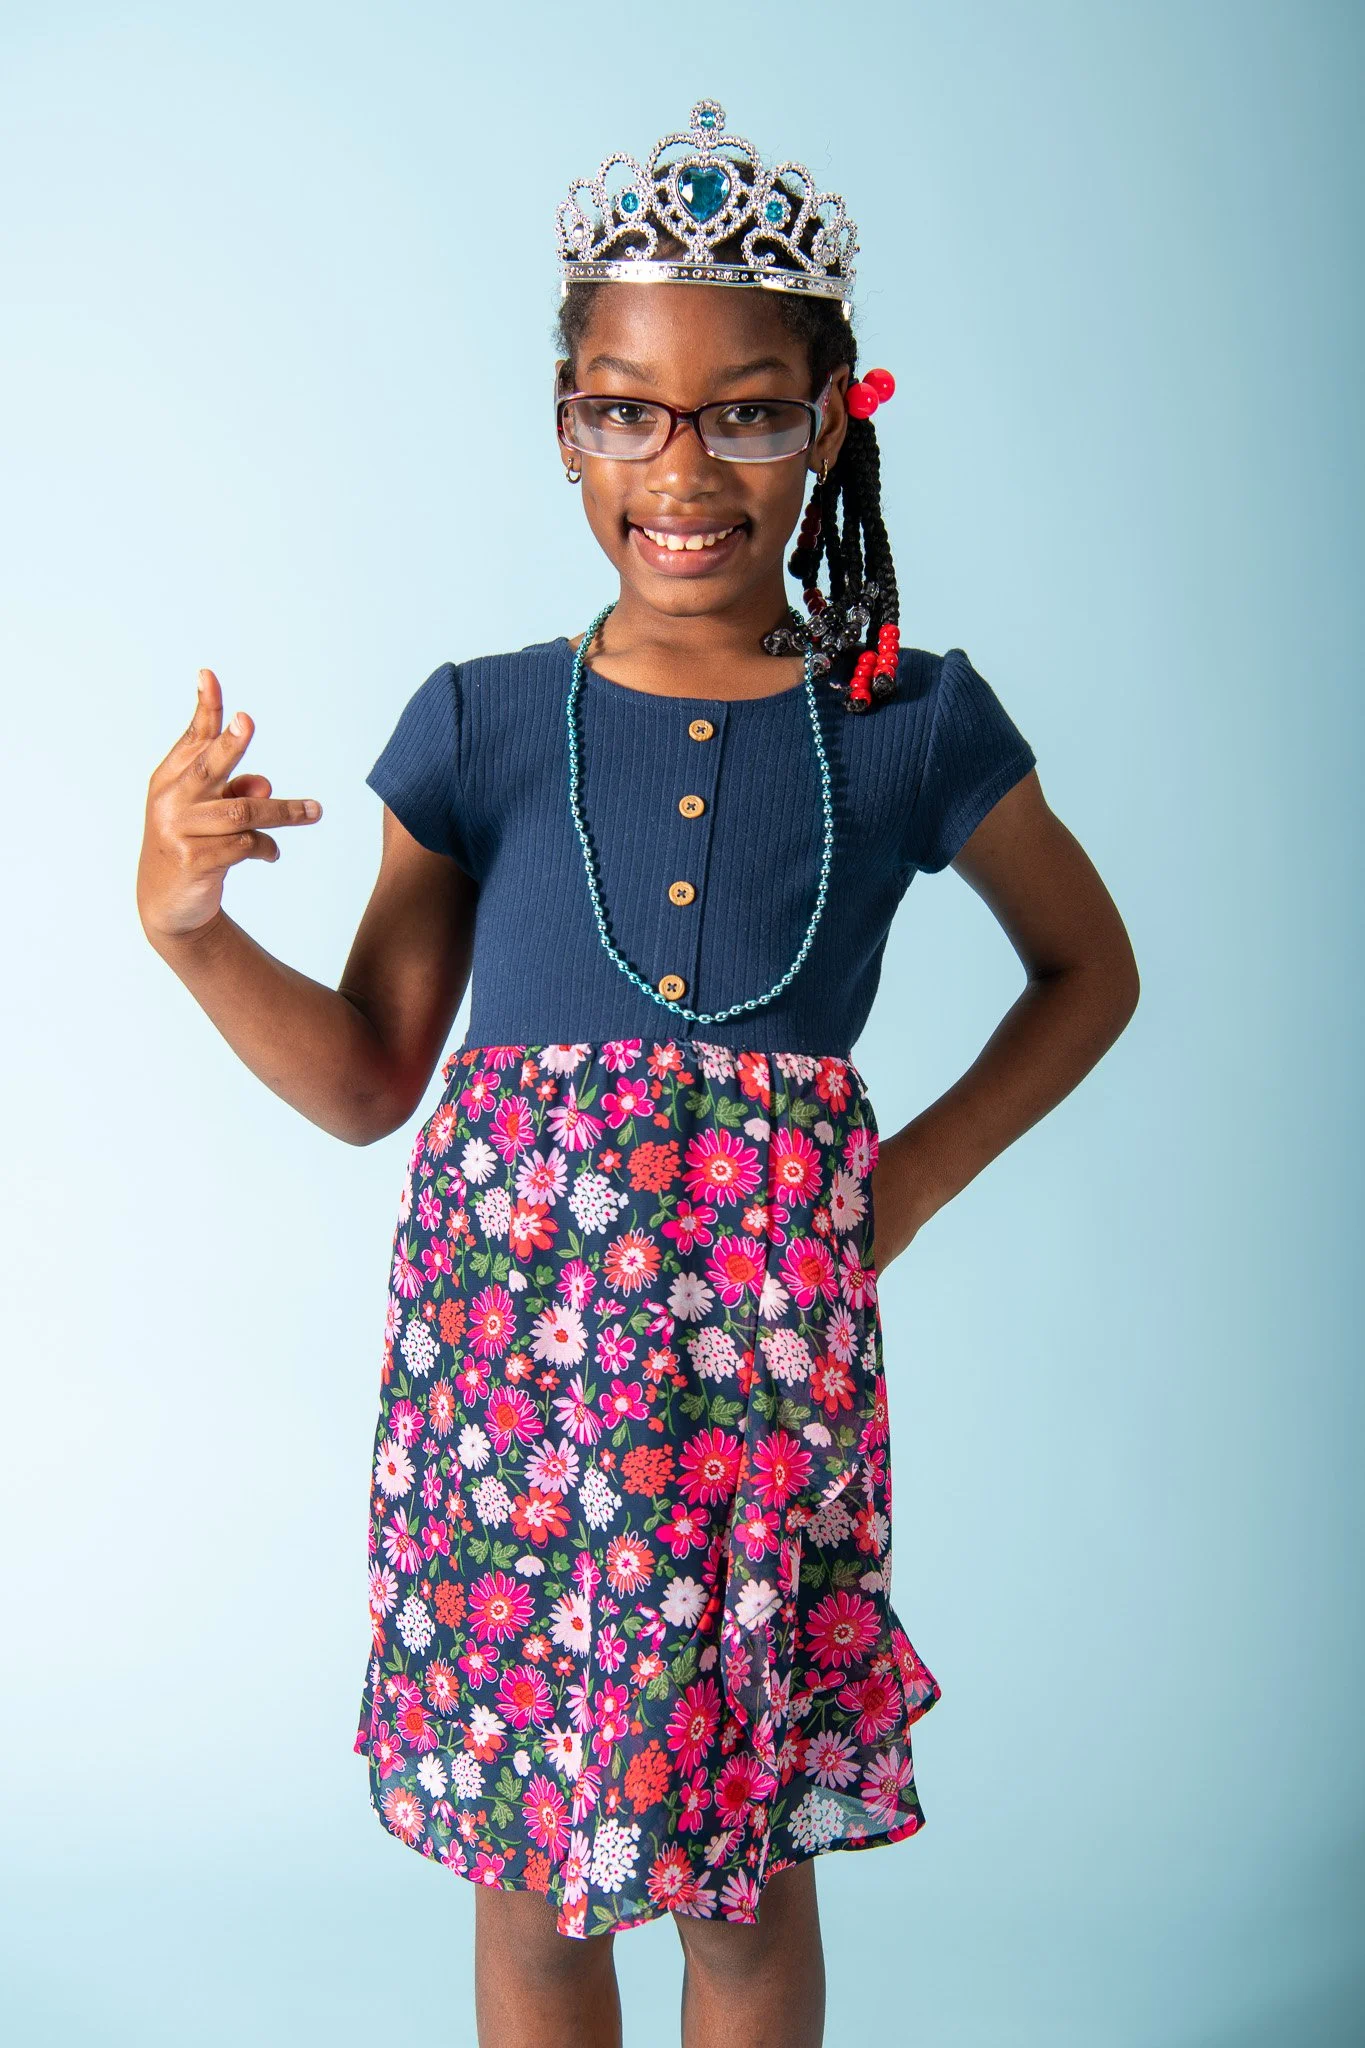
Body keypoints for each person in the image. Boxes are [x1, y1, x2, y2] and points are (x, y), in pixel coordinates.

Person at [136, 99, 1139, 2048]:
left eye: (746, 411)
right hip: (506, 1406)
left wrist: (898, 1186)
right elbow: (364, 1079)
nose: (683, 468)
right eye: (627, 411)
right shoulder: (480, 725)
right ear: (567, 420)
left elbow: (1085, 969)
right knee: (533, 1896)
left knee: (743, 1891)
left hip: (754, 1411)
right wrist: (190, 929)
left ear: (832, 414)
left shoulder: (910, 726)